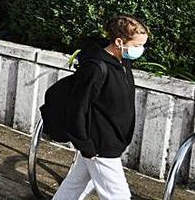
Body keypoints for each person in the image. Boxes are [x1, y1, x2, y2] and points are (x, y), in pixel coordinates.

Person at [48, 16, 148, 200]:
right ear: (119, 42)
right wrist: (86, 145)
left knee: (76, 184)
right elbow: (77, 108)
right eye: (136, 46)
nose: (140, 50)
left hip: (110, 141)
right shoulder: (96, 67)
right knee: (118, 196)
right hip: (100, 144)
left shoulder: (122, 62)